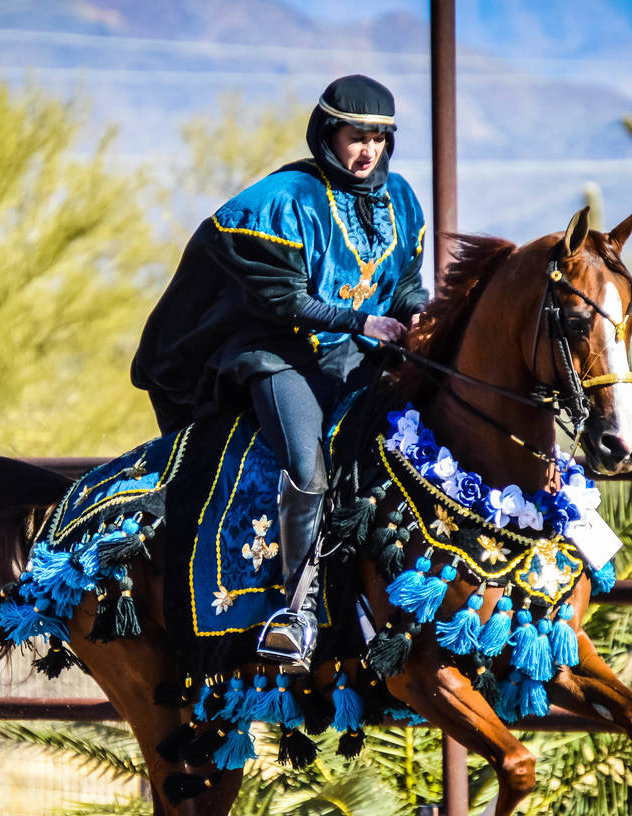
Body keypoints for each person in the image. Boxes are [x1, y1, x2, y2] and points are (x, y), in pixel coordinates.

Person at [131, 74, 429, 666]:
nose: (367, 150)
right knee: (306, 463)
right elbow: (281, 300)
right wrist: (360, 323)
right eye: (355, 136)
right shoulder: (282, 200)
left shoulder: (401, 199)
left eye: (378, 138)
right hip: (280, 355)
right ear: (327, 132)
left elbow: (408, 286)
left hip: (359, 358)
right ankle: (295, 611)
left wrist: (420, 317)